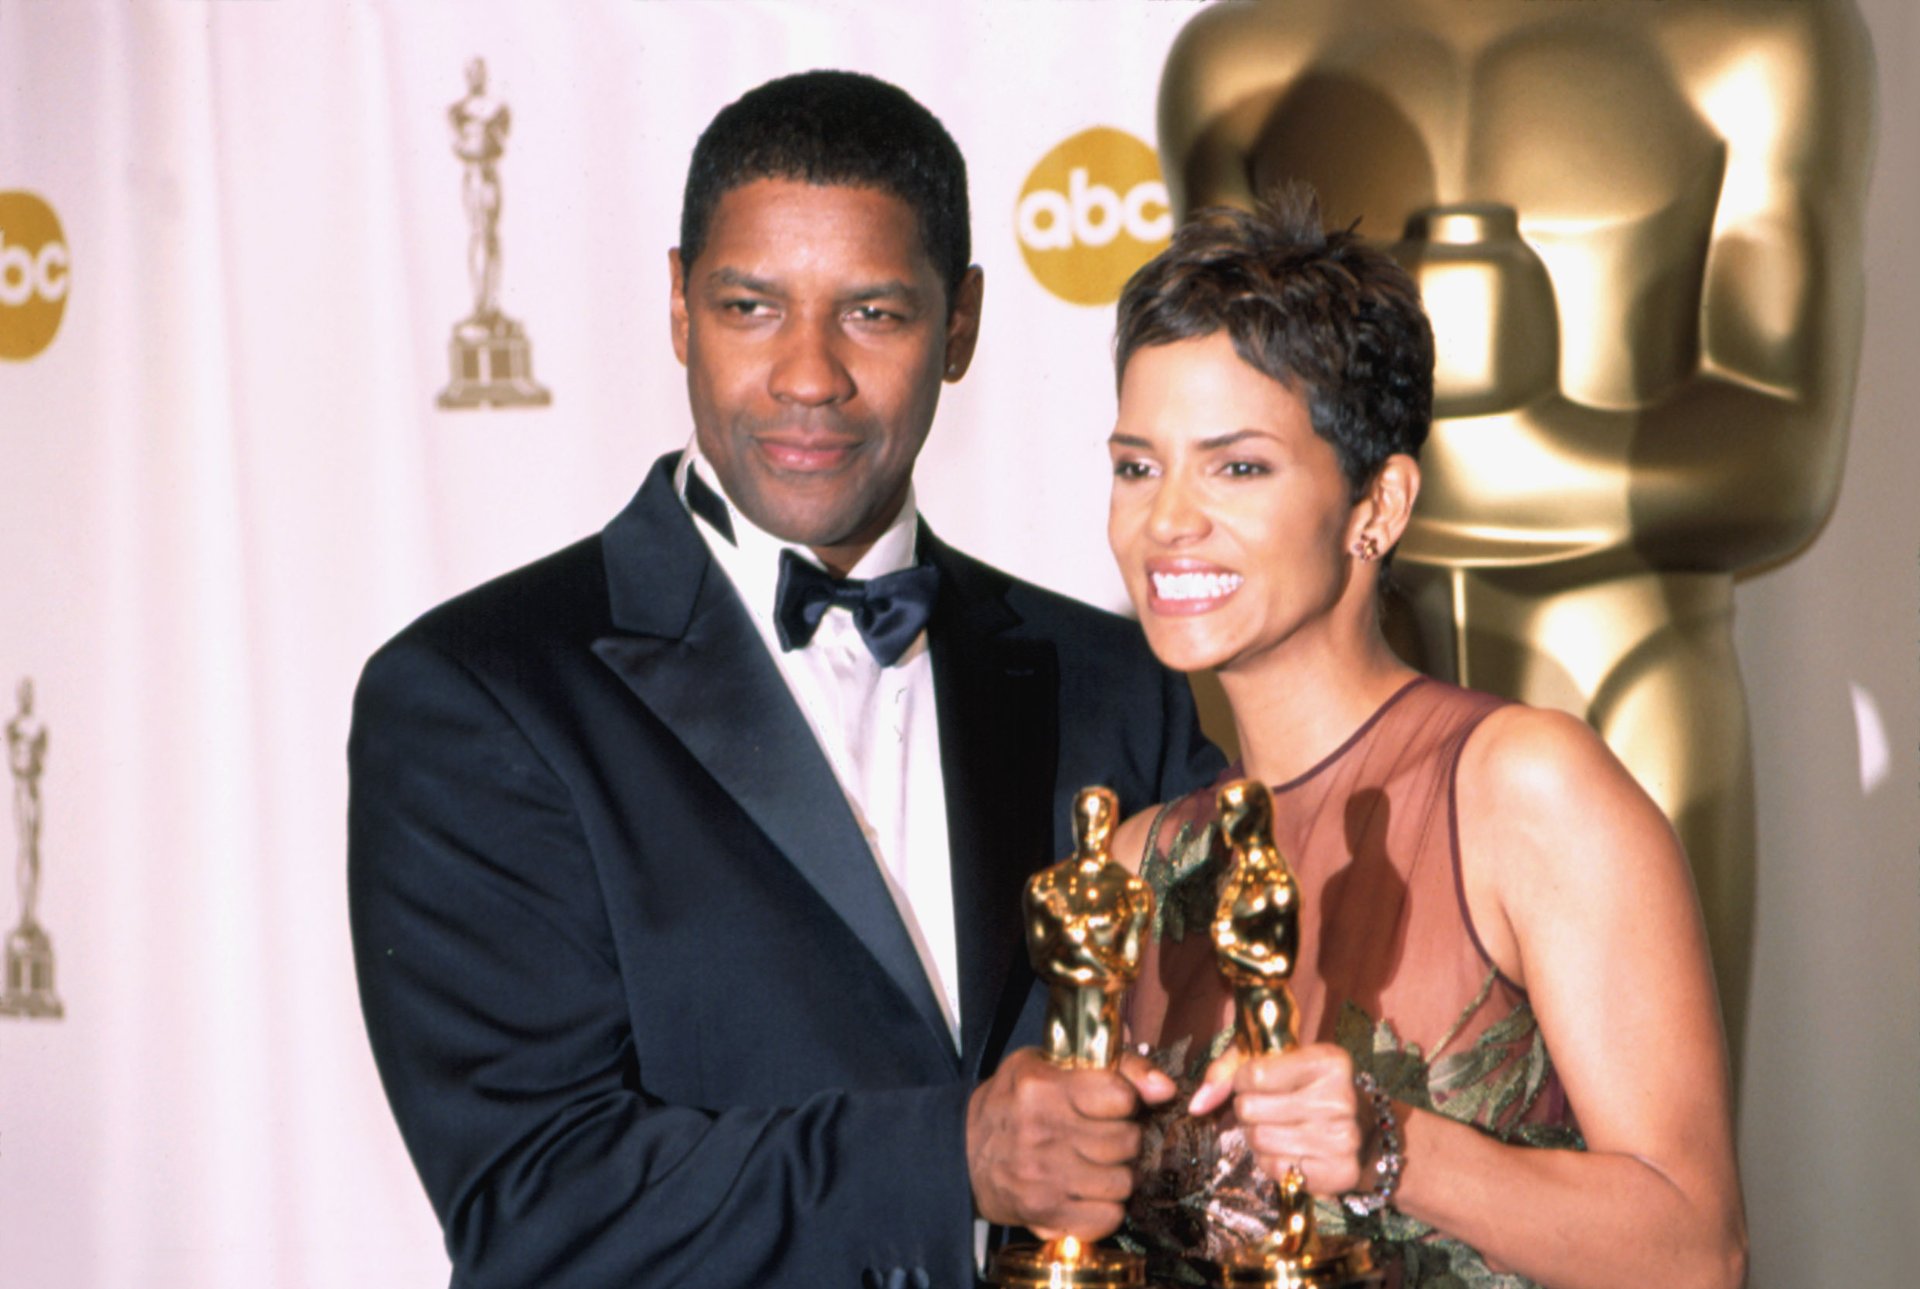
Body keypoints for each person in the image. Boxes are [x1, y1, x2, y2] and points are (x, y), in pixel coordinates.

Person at [348, 70, 1220, 1288]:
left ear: (961, 323)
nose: (809, 375)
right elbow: (537, 1201)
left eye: (873, 312)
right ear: (677, 305)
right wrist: (950, 1155)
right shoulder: (477, 695)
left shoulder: (1118, 681)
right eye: (752, 306)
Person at [1096, 188, 1745, 1288]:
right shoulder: (1133, 865)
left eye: (1237, 465)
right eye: (1135, 465)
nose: (1167, 519)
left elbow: (1696, 1250)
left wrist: (1391, 1145)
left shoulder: (1521, 788)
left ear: (1378, 504)